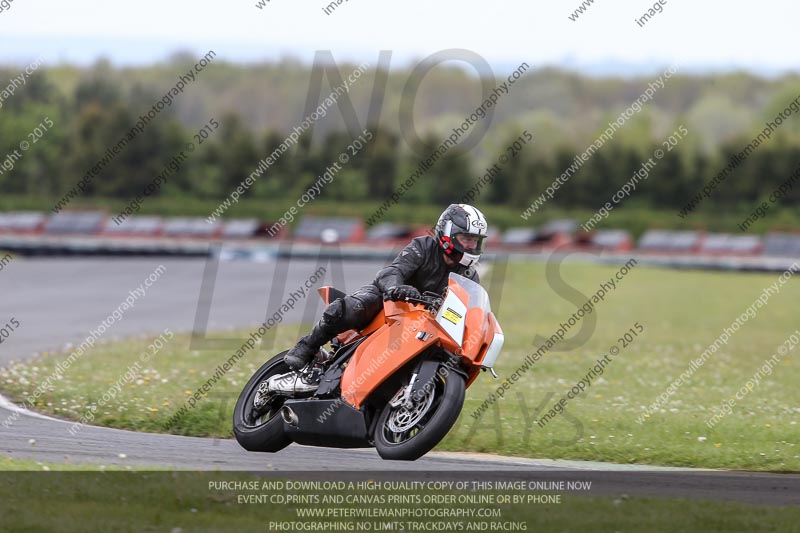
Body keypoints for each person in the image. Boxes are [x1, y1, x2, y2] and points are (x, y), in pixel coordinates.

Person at [284, 203, 489, 371]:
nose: (471, 246)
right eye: (466, 239)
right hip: (390, 302)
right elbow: (392, 272)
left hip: (427, 323)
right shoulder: (423, 247)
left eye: (475, 241)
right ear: (448, 233)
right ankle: (307, 345)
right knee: (355, 307)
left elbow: (470, 311)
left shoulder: (470, 276)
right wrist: (396, 288)